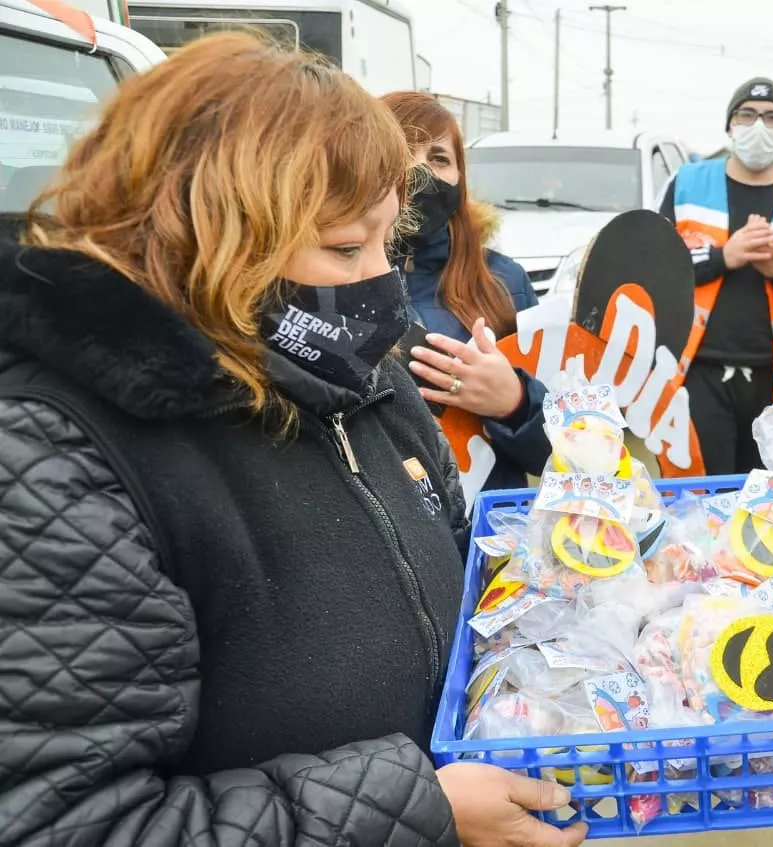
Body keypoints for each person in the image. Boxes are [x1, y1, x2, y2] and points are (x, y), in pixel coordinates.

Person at [0, 34, 585, 847]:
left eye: (391, 242)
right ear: (204, 239)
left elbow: (454, 582)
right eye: (347, 247)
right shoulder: (58, 458)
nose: (383, 282)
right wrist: (423, 812)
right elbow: (67, 823)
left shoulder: (364, 374)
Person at [657, 78, 773, 474]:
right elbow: (649, 267)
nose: (759, 125)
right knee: (699, 498)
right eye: (747, 114)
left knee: (766, 506)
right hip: (697, 375)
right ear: (730, 125)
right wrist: (721, 257)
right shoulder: (686, 182)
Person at [381, 91, 551, 492]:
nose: (419, 170)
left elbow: (562, 451)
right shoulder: (325, 284)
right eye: (403, 150)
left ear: (460, 181)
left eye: (439, 158)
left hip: (488, 534)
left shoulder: (503, 282)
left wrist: (516, 403)